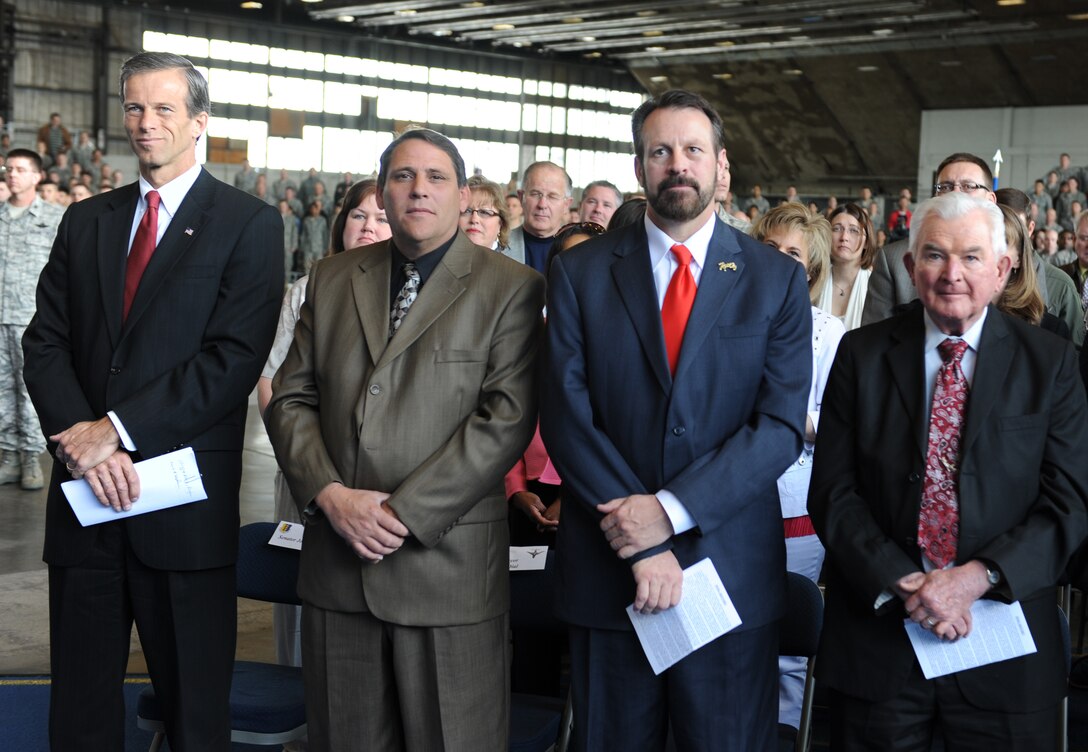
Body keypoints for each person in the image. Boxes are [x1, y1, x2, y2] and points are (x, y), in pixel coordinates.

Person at [21, 52, 283, 752]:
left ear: (199, 120)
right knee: (79, 709)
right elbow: (44, 341)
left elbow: (231, 361)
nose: (145, 122)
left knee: (195, 712)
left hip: (181, 509)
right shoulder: (87, 221)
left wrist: (113, 430)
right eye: (134, 107)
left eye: (164, 108)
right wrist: (81, 439)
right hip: (86, 503)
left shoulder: (248, 224)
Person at [540, 89, 812, 751]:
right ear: (640, 168)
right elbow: (567, 416)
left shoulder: (773, 279)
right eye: (660, 151)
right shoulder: (578, 273)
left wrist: (668, 514)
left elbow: (777, 427)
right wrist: (641, 541)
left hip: (729, 577)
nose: (677, 164)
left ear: (721, 166)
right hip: (611, 573)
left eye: (693, 149)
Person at [265, 127, 544, 751]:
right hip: (340, 566)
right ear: (383, 192)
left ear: (463, 195)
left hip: (445, 571)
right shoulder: (333, 278)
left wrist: (399, 514)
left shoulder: (510, 288)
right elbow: (291, 397)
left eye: (436, 177)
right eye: (402, 176)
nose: (419, 189)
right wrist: (332, 497)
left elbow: (504, 421)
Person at [809, 192, 1088, 751]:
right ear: (911, 268)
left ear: (1003, 269)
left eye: (971, 257)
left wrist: (973, 579)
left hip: (1003, 654)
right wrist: (906, 582)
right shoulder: (860, 355)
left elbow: (1070, 504)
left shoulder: (1050, 364)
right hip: (880, 643)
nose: (952, 274)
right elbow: (834, 494)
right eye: (934, 255)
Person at [257, 179, 390, 743]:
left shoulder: (413, 287)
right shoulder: (306, 289)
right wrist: (305, 463)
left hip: (381, 484)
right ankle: (302, 712)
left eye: (380, 217)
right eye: (358, 216)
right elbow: (270, 382)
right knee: (303, 601)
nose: (368, 227)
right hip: (308, 474)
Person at [752, 203, 845, 735]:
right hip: (729, 500)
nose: (779, 260)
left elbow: (837, 423)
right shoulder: (725, 318)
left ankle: (787, 735)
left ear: (810, 270)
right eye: (770, 248)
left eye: (793, 254)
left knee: (787, 644)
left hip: (795, 501)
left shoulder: (828, 332)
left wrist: (778, 412)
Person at [0, 148, 64, 490]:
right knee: (2, 392)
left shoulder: (54, 218)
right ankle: (9, 455)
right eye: (9, 169)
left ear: (37, 176)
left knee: (29, 391)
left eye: (21, 169)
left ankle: (31, 458)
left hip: (32, 319)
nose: (12, 174)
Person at [503, 160, 572, 274]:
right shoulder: (498, 246)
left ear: (566, 205)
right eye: (535, 194)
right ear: (521, 197)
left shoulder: (578, 251)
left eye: (552, 196)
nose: (542, 205)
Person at [818, 203, 876, 330]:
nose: (844, 237)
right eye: (837, 229)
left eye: (854, 230)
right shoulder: (813, 283)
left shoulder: (875, 287)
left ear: (866, 242)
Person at [460, 175, 510, 250]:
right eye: (467, 211)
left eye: (484, 212)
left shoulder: (510, 261)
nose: (474, 219)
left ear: (501, 224)